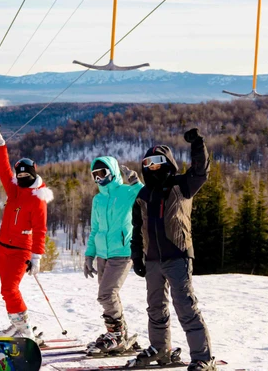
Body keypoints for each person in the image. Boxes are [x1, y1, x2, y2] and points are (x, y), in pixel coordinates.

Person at [130, 129, 216, 371]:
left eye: (157, 162)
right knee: (155, 308)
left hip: (178, 255)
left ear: (167, 162)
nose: (152, 167)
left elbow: (201, 171)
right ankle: (161, 350)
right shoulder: (143, 195)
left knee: (185, 307)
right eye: (148, 163)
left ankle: (203, 358)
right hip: (153, 260)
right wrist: (137, 257)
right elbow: (137, 228)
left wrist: (198, 144)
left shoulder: (182, 185)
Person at [0, 123, 53, 343]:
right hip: (1, 248)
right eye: (20, 174)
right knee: (5, 291)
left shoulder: (38, 199)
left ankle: (25, 331)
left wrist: (36, 257)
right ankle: (17, 325)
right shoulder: (14, 190)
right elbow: (4, 168)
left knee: (10, 289)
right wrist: (0, 143)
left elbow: (40, 230)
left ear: (33, 174)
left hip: (20, 251)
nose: (22, 177)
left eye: (26, 174)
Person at [84, 156, 143, 354]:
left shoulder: (126, 192)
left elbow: (145, 196)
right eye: (95, 175)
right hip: (102, 254)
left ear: (112, 171)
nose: (98, 178)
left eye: (102, 173)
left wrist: (135, 181)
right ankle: (119, 334)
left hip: (122, 252)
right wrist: (89, 255)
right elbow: (95, 229)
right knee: (109, 296)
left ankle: (116, 335)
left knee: (106, 294)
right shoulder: (98, 199)